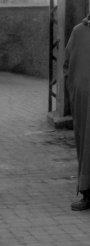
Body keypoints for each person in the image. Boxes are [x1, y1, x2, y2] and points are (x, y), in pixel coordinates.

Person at [64, 14, 90, 211]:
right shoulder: (79, 32)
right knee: (86, 146)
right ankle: (87, 193)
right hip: (85, 103)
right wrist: (76, 89)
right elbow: (68, 66)